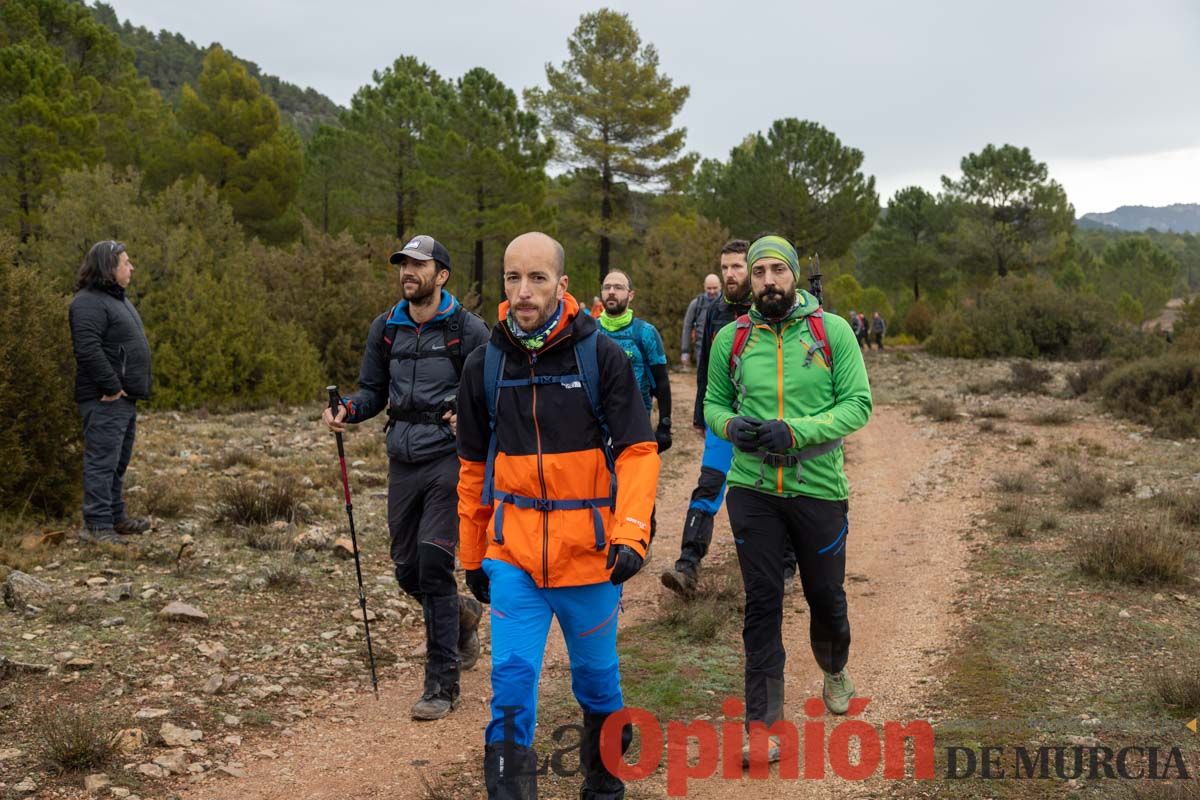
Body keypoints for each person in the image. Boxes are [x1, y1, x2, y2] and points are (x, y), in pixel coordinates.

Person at [456, 232, 660, 800]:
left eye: (537, 278)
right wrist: (473, 555)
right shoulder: (485, 364)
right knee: (511, 688)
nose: (523, 292)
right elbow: (473, 468)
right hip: (514, 558)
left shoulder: (601, 357)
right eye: (513, 278)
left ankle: (603, 790)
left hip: (591, 559)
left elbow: (638, 453)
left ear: (562, 285)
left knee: (598, 686)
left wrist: (631, 534)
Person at [704, 235, 871, 760]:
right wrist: (731, 426)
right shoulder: (731, 339)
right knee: (762, 602)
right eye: (759, 272)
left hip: (818, 485)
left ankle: (835, 666)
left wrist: (794, 431)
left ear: (794, 275)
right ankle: (764, 724)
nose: (768, 281)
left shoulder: (833, 331)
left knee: (826, 597)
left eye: (778, 270)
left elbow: (858, 405)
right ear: (748, 280)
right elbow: (712, 403)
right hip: (752, 488)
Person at [322, 234, 490, 721]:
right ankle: (461, 615)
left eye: (419, 264)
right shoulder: (387, 327)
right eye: (403, 264)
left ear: (442, 275)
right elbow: (373, 391)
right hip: (402, 458)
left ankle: (442, 684)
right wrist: (347, 409)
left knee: (434, 564)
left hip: (449, 460)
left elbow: (491, 390)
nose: (407, 272)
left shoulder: (468, 329)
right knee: (406, 570)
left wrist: (469, 414)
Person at [660, 241, 798, 598]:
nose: (730, 274)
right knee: (708, 486)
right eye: (725, 268)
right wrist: (699, 415)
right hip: (724, 422)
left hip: (769, 421)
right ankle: (687, 565)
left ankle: (786, 562)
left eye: (738, 267)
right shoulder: (714, 311)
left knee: (777, 488)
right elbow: (706, 367)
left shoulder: (771, 305)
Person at [69, 241, 153, 545]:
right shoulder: (88, 302)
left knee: (117, 462)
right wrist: (112, 386)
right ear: (109, 267)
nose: (131, 268)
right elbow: (87, 350)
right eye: (126, 263)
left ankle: (115, 518)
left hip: (124, 398)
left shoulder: (116, 299)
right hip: (106, 398)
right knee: (101, 462)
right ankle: (96, 525)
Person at [597, 269, 672, 541]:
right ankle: (609, 538)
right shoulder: (590, 331)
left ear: (630, 295)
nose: (612, 292)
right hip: (598, 424)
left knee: (637, 485)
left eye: (618, 287)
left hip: (636, 422)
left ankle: (641, 535)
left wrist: (664, 424)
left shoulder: (645, 333)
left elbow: (661, 382)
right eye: (607, 287)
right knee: (602, 485)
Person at [680, 274, 721, 367]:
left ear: (720, 286)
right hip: (701, 349)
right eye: (709, 288)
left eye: (715, 288)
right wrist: (685, 351)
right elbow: (687, 326)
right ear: (704, 287)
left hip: (722, 348)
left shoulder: (726, 303)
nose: (712, 291)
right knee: (702, 378)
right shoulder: (696, 304)